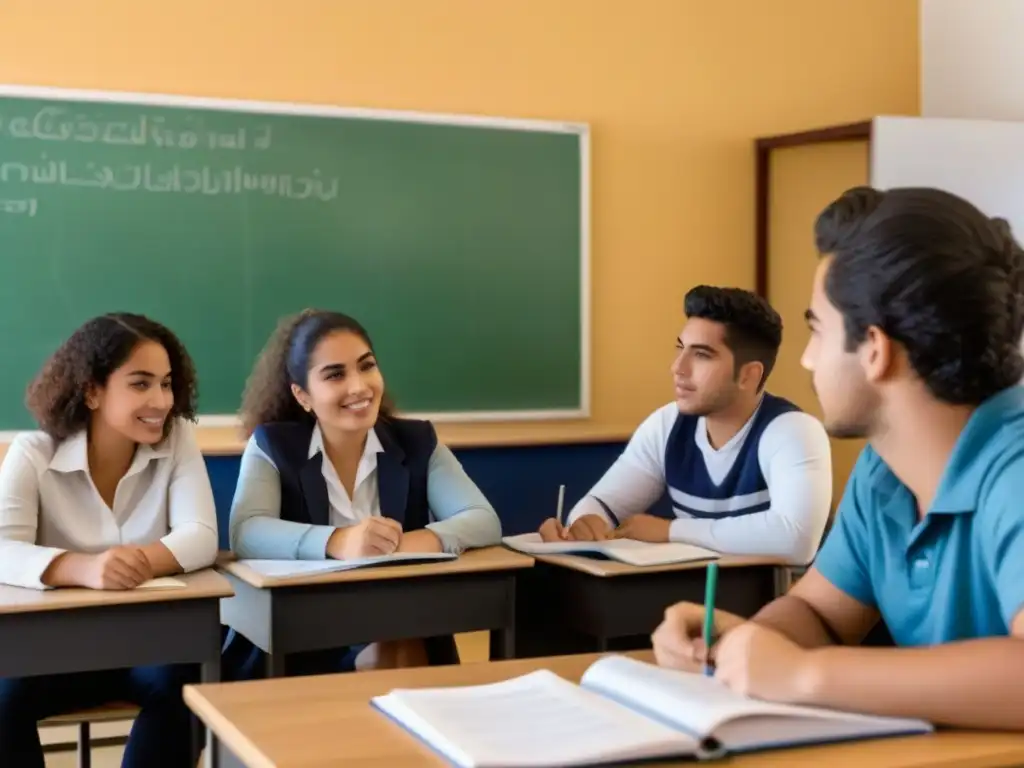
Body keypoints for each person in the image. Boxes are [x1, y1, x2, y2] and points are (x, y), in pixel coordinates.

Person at [652, 186, 1024, 730]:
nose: (805, 359)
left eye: (817, 331)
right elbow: (820, 612)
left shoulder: (1014, 467)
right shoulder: (884, 469)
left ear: (875, 349)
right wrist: (745, 645)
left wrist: (805, 675)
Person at [223, 309, 502, 678]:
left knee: (399, 646)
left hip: (396, 622)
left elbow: (484, 520)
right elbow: (247, 532)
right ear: (303, 395)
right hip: (302, 635)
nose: (358, 386)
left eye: (366, 366)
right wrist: (339, 541)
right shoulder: (273, 445)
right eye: (335, 375)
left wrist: (416, 541)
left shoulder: (416, 442)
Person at [0, 313, 218, 767]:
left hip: (149, 645)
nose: (160, 400)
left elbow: (200, 537)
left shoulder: (177, 440)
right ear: (92, 390)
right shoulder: (34, 450)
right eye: (140, 384)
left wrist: (135, 561)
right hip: (53, 650)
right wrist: (85, 568)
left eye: (166, 383)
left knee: (188, 686)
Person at [538, 286, 832, 566]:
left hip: (776, 610)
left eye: (701, 355)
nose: (678, 367)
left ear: (749, 375)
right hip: (695, 605)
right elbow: (603, 504)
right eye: (681, 349)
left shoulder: (793, 430)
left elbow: (796, 539)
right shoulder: (667, 425)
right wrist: (585, 522)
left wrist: (669, 531)